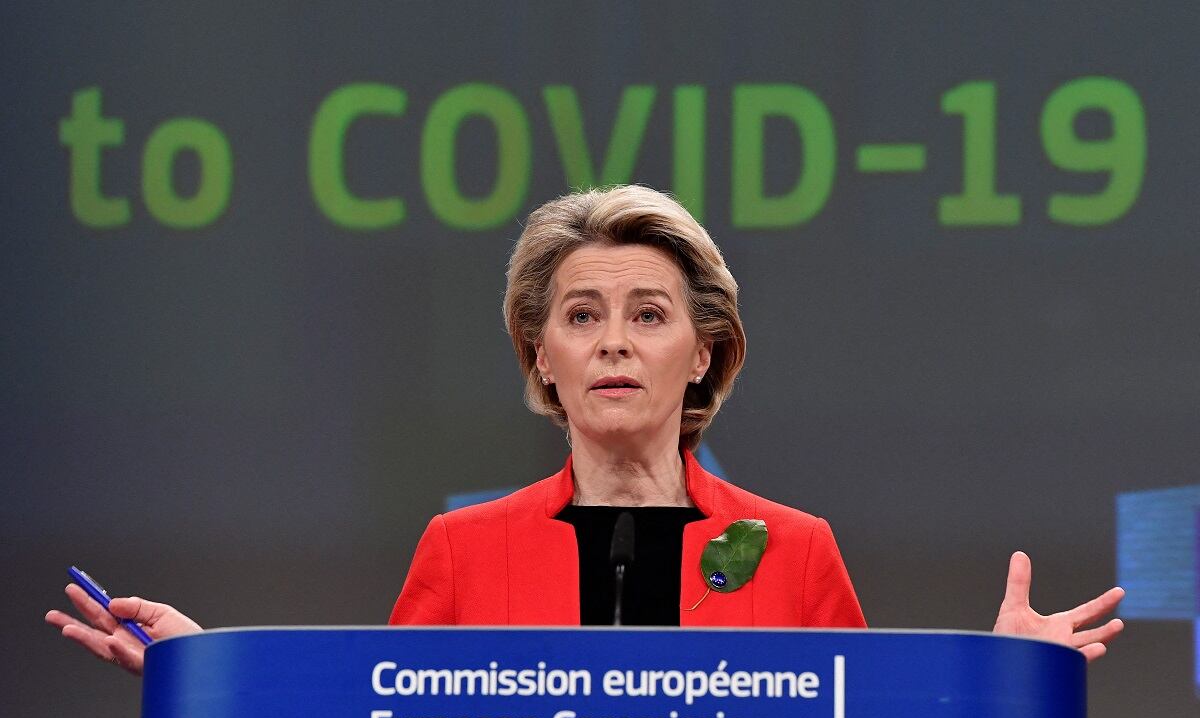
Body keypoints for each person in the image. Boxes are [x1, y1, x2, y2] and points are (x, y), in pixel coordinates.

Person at [45, 185, 1125, 674]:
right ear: (541, 359)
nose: (613, 342)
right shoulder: (461, 551)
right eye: (580, 316)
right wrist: (208, 676)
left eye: (649, 315)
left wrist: (1002, 682)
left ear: (702, 353)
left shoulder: (795, 551)